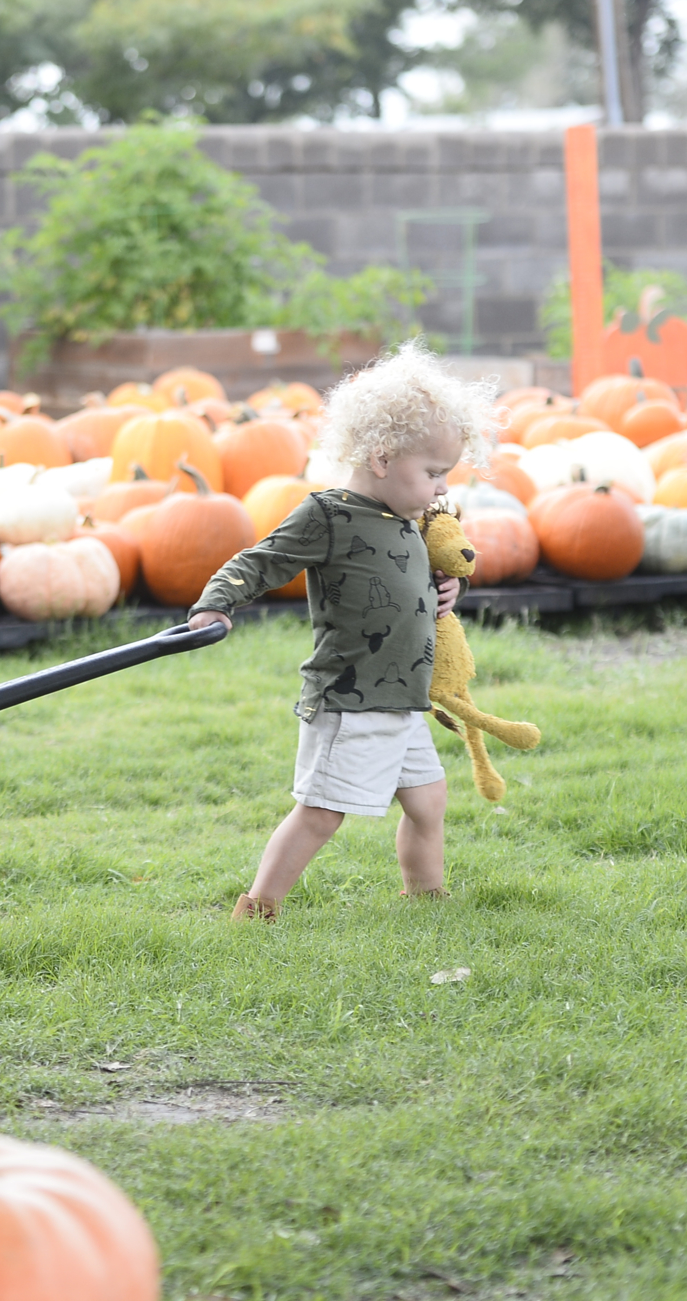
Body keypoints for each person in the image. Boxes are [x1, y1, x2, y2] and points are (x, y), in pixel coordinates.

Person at [186, 342, 495, 920]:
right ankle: (258, 907)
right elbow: (260, 560)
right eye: (431, 472)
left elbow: (427, 581)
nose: (440, 488)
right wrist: (215, 604)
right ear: (381, 457)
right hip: (351, 699)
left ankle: (426, 899)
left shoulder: (414, 521)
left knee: (429, 800)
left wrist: (451, 591)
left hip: (404, 698)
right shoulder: (328, 515)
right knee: (322, 812)